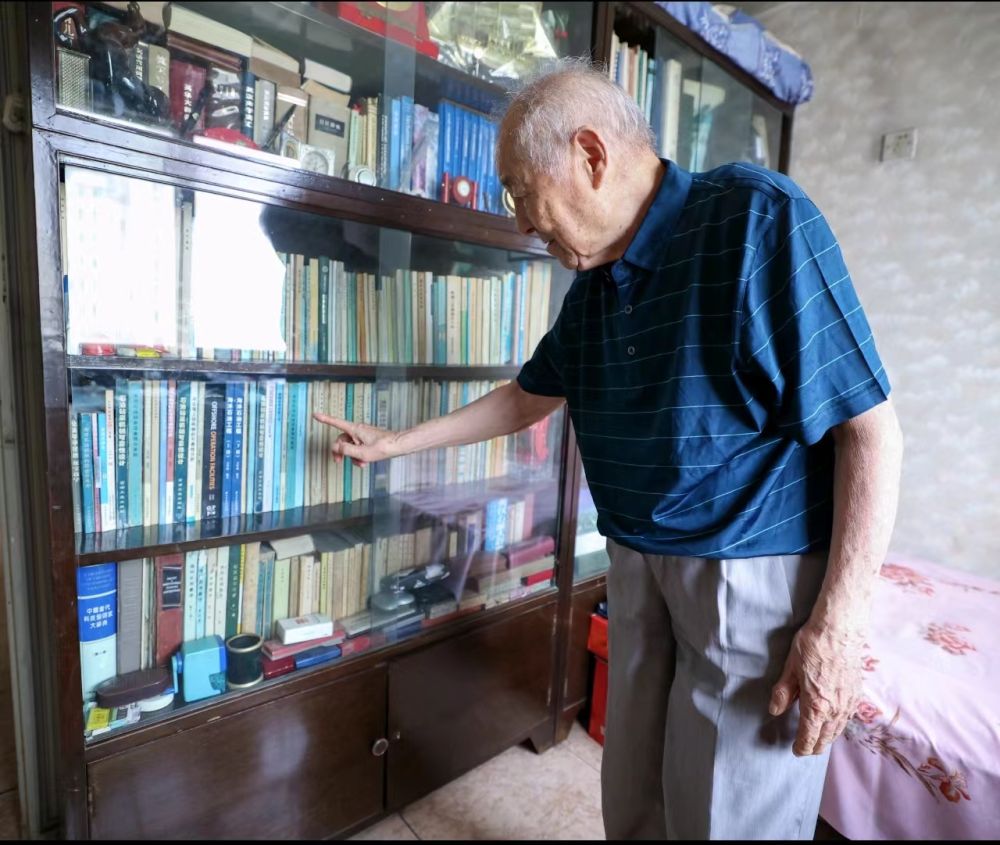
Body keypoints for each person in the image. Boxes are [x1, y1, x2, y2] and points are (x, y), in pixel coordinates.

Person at [315, 60, 903, 840]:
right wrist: (398, 443)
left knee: (725, 820)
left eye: (521, 191)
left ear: (590, 155)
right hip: (635, 564)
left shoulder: (756, 219)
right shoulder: (596, 281)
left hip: (744, 572)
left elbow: (871, 431)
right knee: (633, 796)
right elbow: (528, 395)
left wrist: (838, 626)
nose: (522, 223)